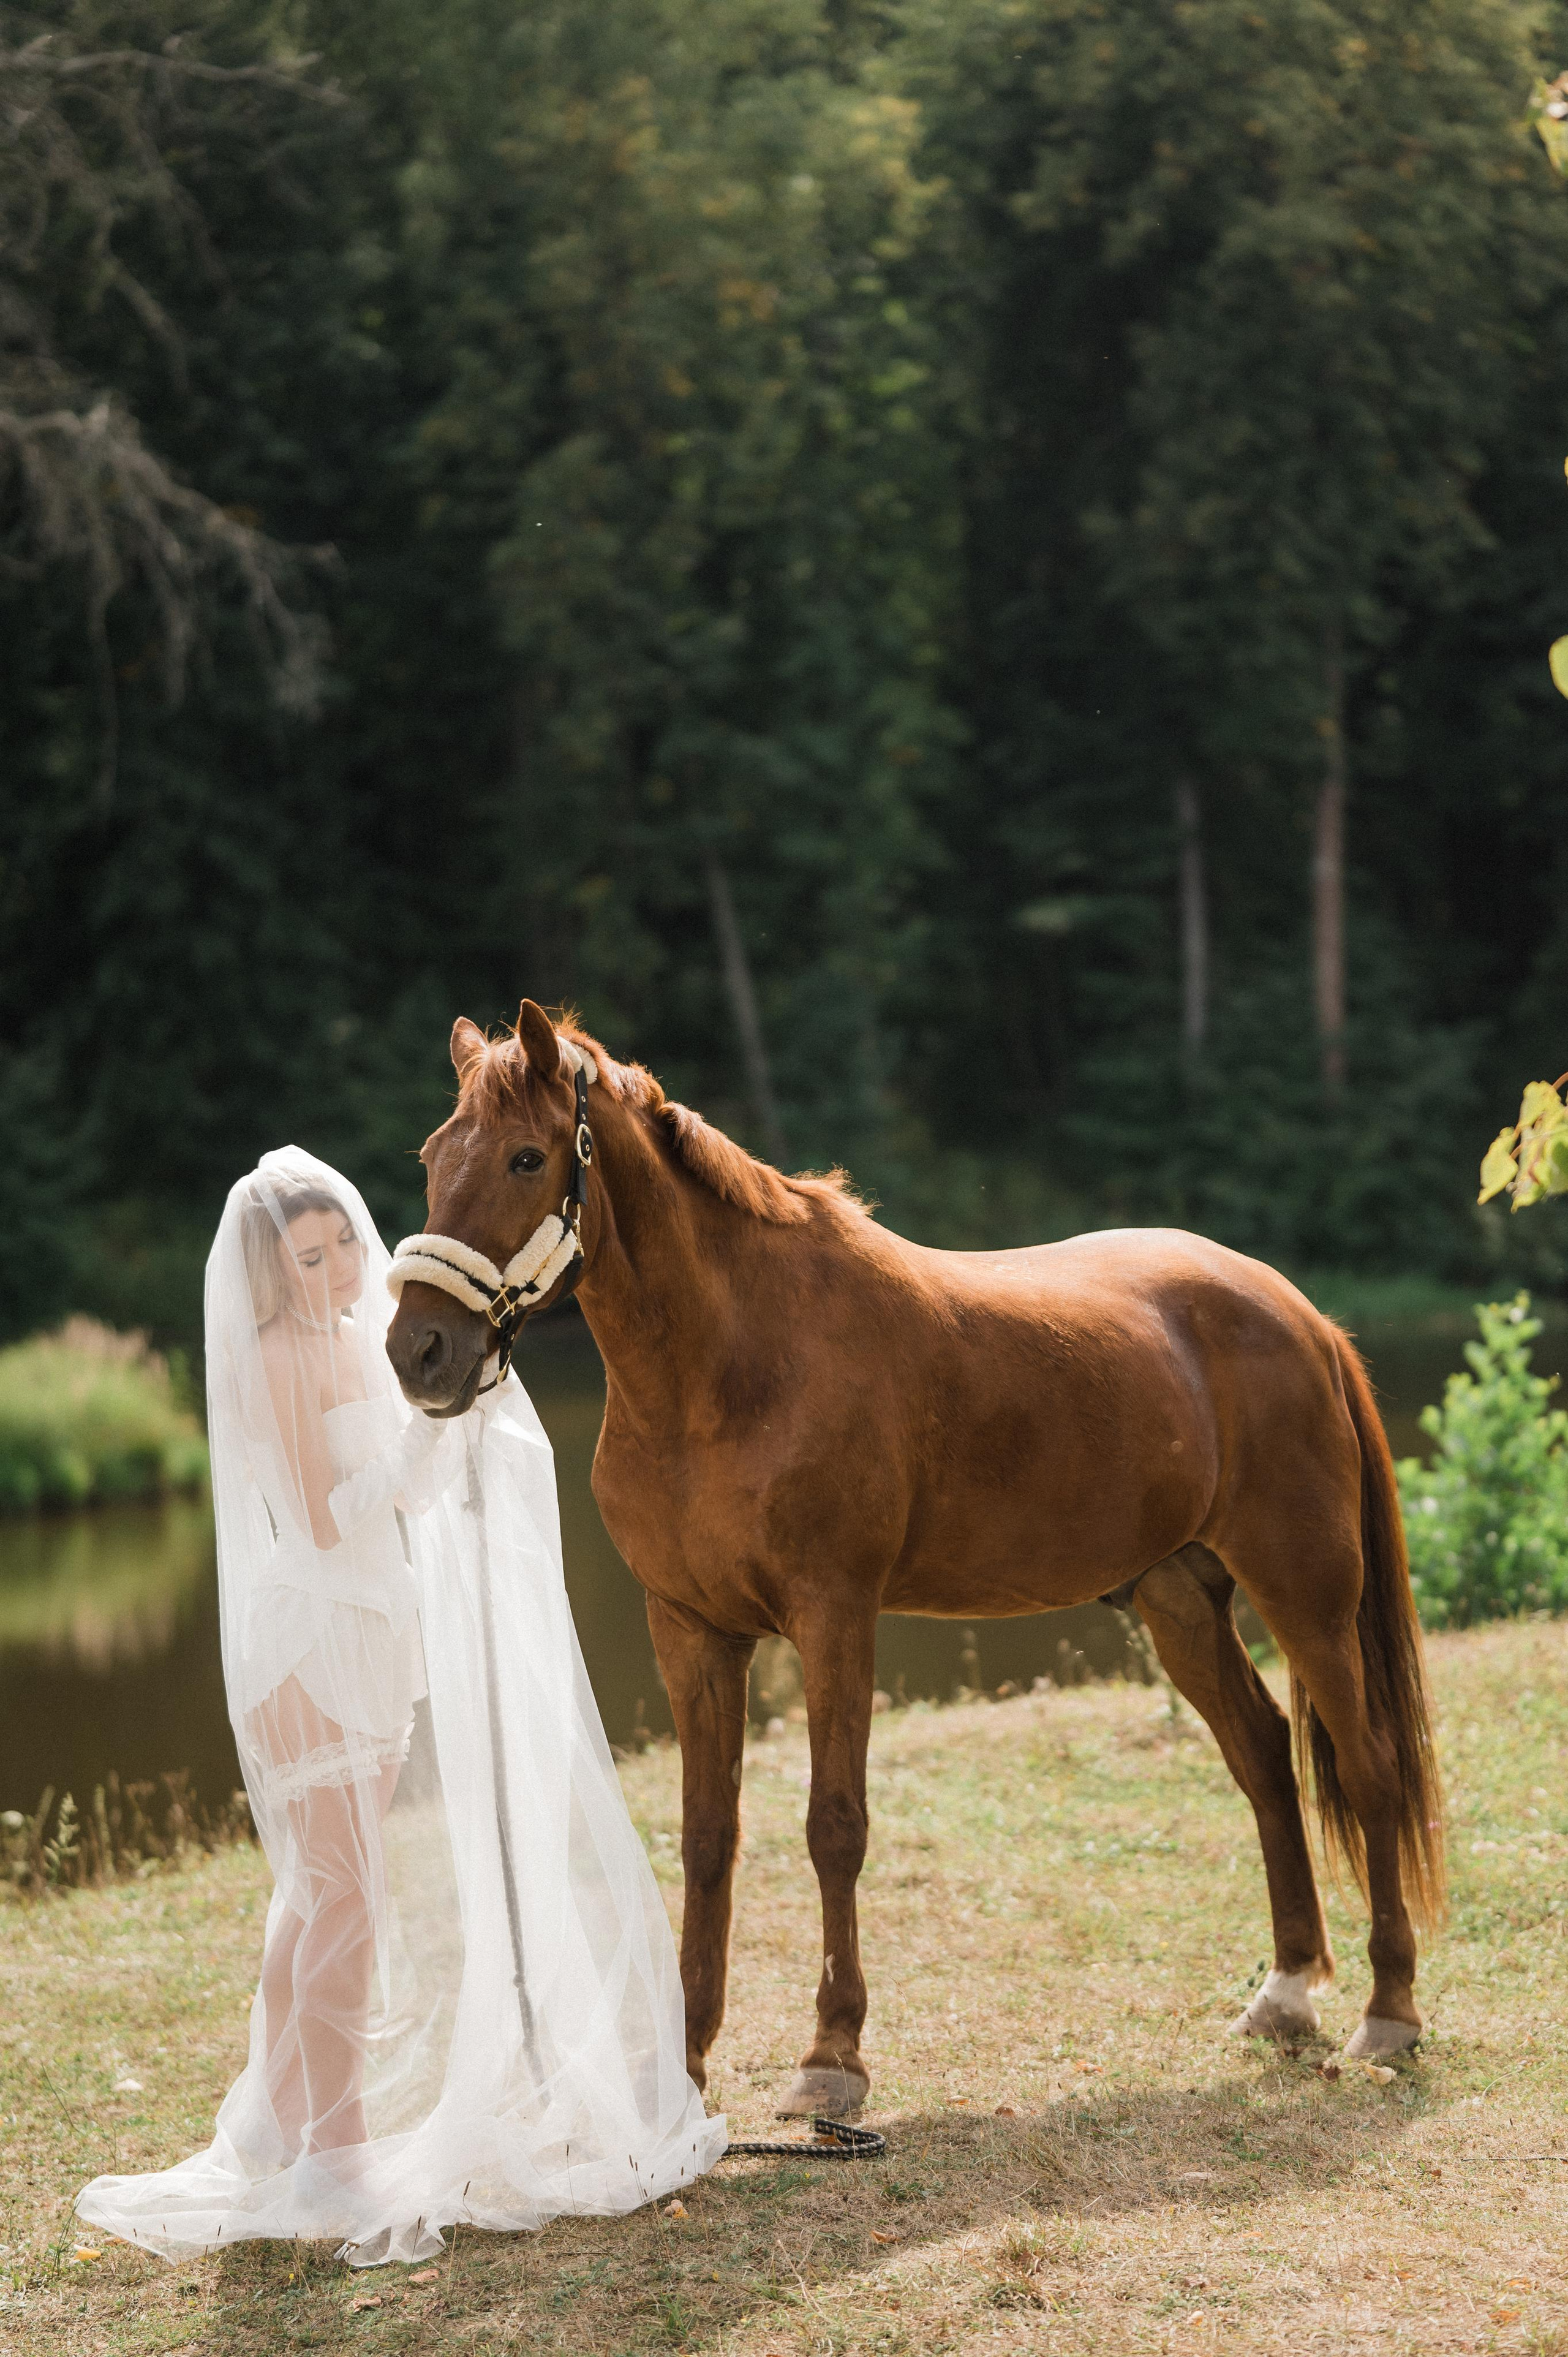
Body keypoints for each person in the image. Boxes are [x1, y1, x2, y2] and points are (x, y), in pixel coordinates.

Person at [77, 1146, 725, 2266]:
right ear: (270, 1272)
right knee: (345, 1905)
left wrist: (445, 1427)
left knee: (321, 1894)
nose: (334, 1269)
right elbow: (331, 1522)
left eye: (340, 1246)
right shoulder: (279, 1358)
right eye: (309, 1256)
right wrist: (426, 1436)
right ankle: (337, 2145)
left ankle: (280, 2120)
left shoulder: (347, 1344)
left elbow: (400, 1497)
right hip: (313, 1645)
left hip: (368, 1643)